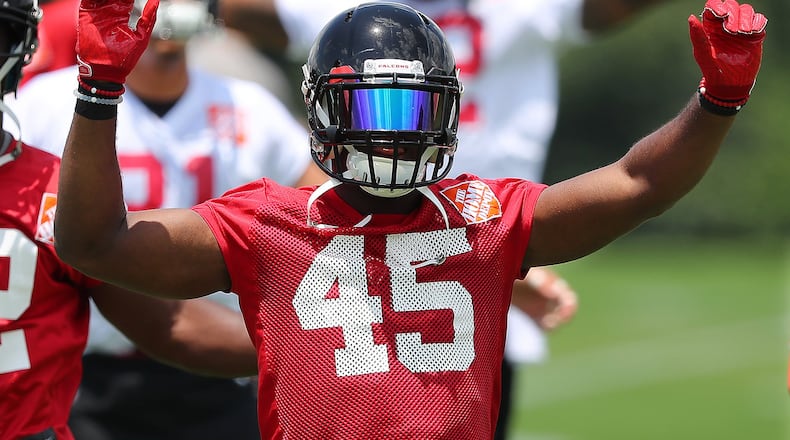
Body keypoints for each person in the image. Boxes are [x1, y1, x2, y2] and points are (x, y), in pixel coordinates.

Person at [55, 0, 767, 438]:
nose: (392, 133)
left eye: (413, 108)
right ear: (325, 110)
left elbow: (638, 181)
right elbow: (95, 243)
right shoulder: (267, 223)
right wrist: (99, 90)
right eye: (372, 108)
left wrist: (717, 102)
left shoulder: (484, 216)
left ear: (448, 113)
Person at [217, 0, 667, 435]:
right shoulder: (350, 18)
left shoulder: (520, 11)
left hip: (483, 238)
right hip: (384, 248)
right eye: (377, 108)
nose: (394, 131)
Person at [9, 0, 324, 438]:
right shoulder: (47, 102)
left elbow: (325, 215)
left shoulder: (249, 105)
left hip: (218, 364)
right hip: (95, 372)